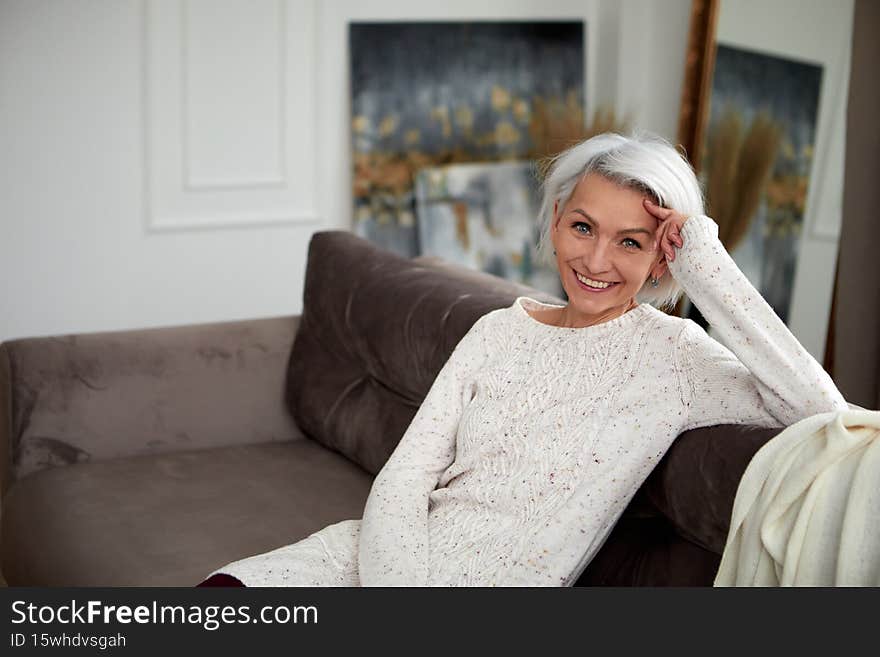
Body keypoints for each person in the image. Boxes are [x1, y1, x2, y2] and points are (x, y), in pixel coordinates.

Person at [200, 131, 847, 587]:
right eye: (584, 227)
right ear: (558, 217)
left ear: (661, 257)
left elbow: (820, 410)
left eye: (631, 241)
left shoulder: (673, 357)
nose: (596, 261)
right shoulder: (496, 330)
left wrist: (706, 264)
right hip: (375, 558)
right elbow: (403, 480)